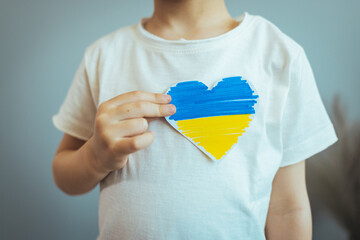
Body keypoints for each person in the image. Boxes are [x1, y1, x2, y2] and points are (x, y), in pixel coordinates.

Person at [51, 0, 338, 239]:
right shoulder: (104, 56)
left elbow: (288, 207)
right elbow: (64, 174)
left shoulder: (279, 55)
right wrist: (94, 158)